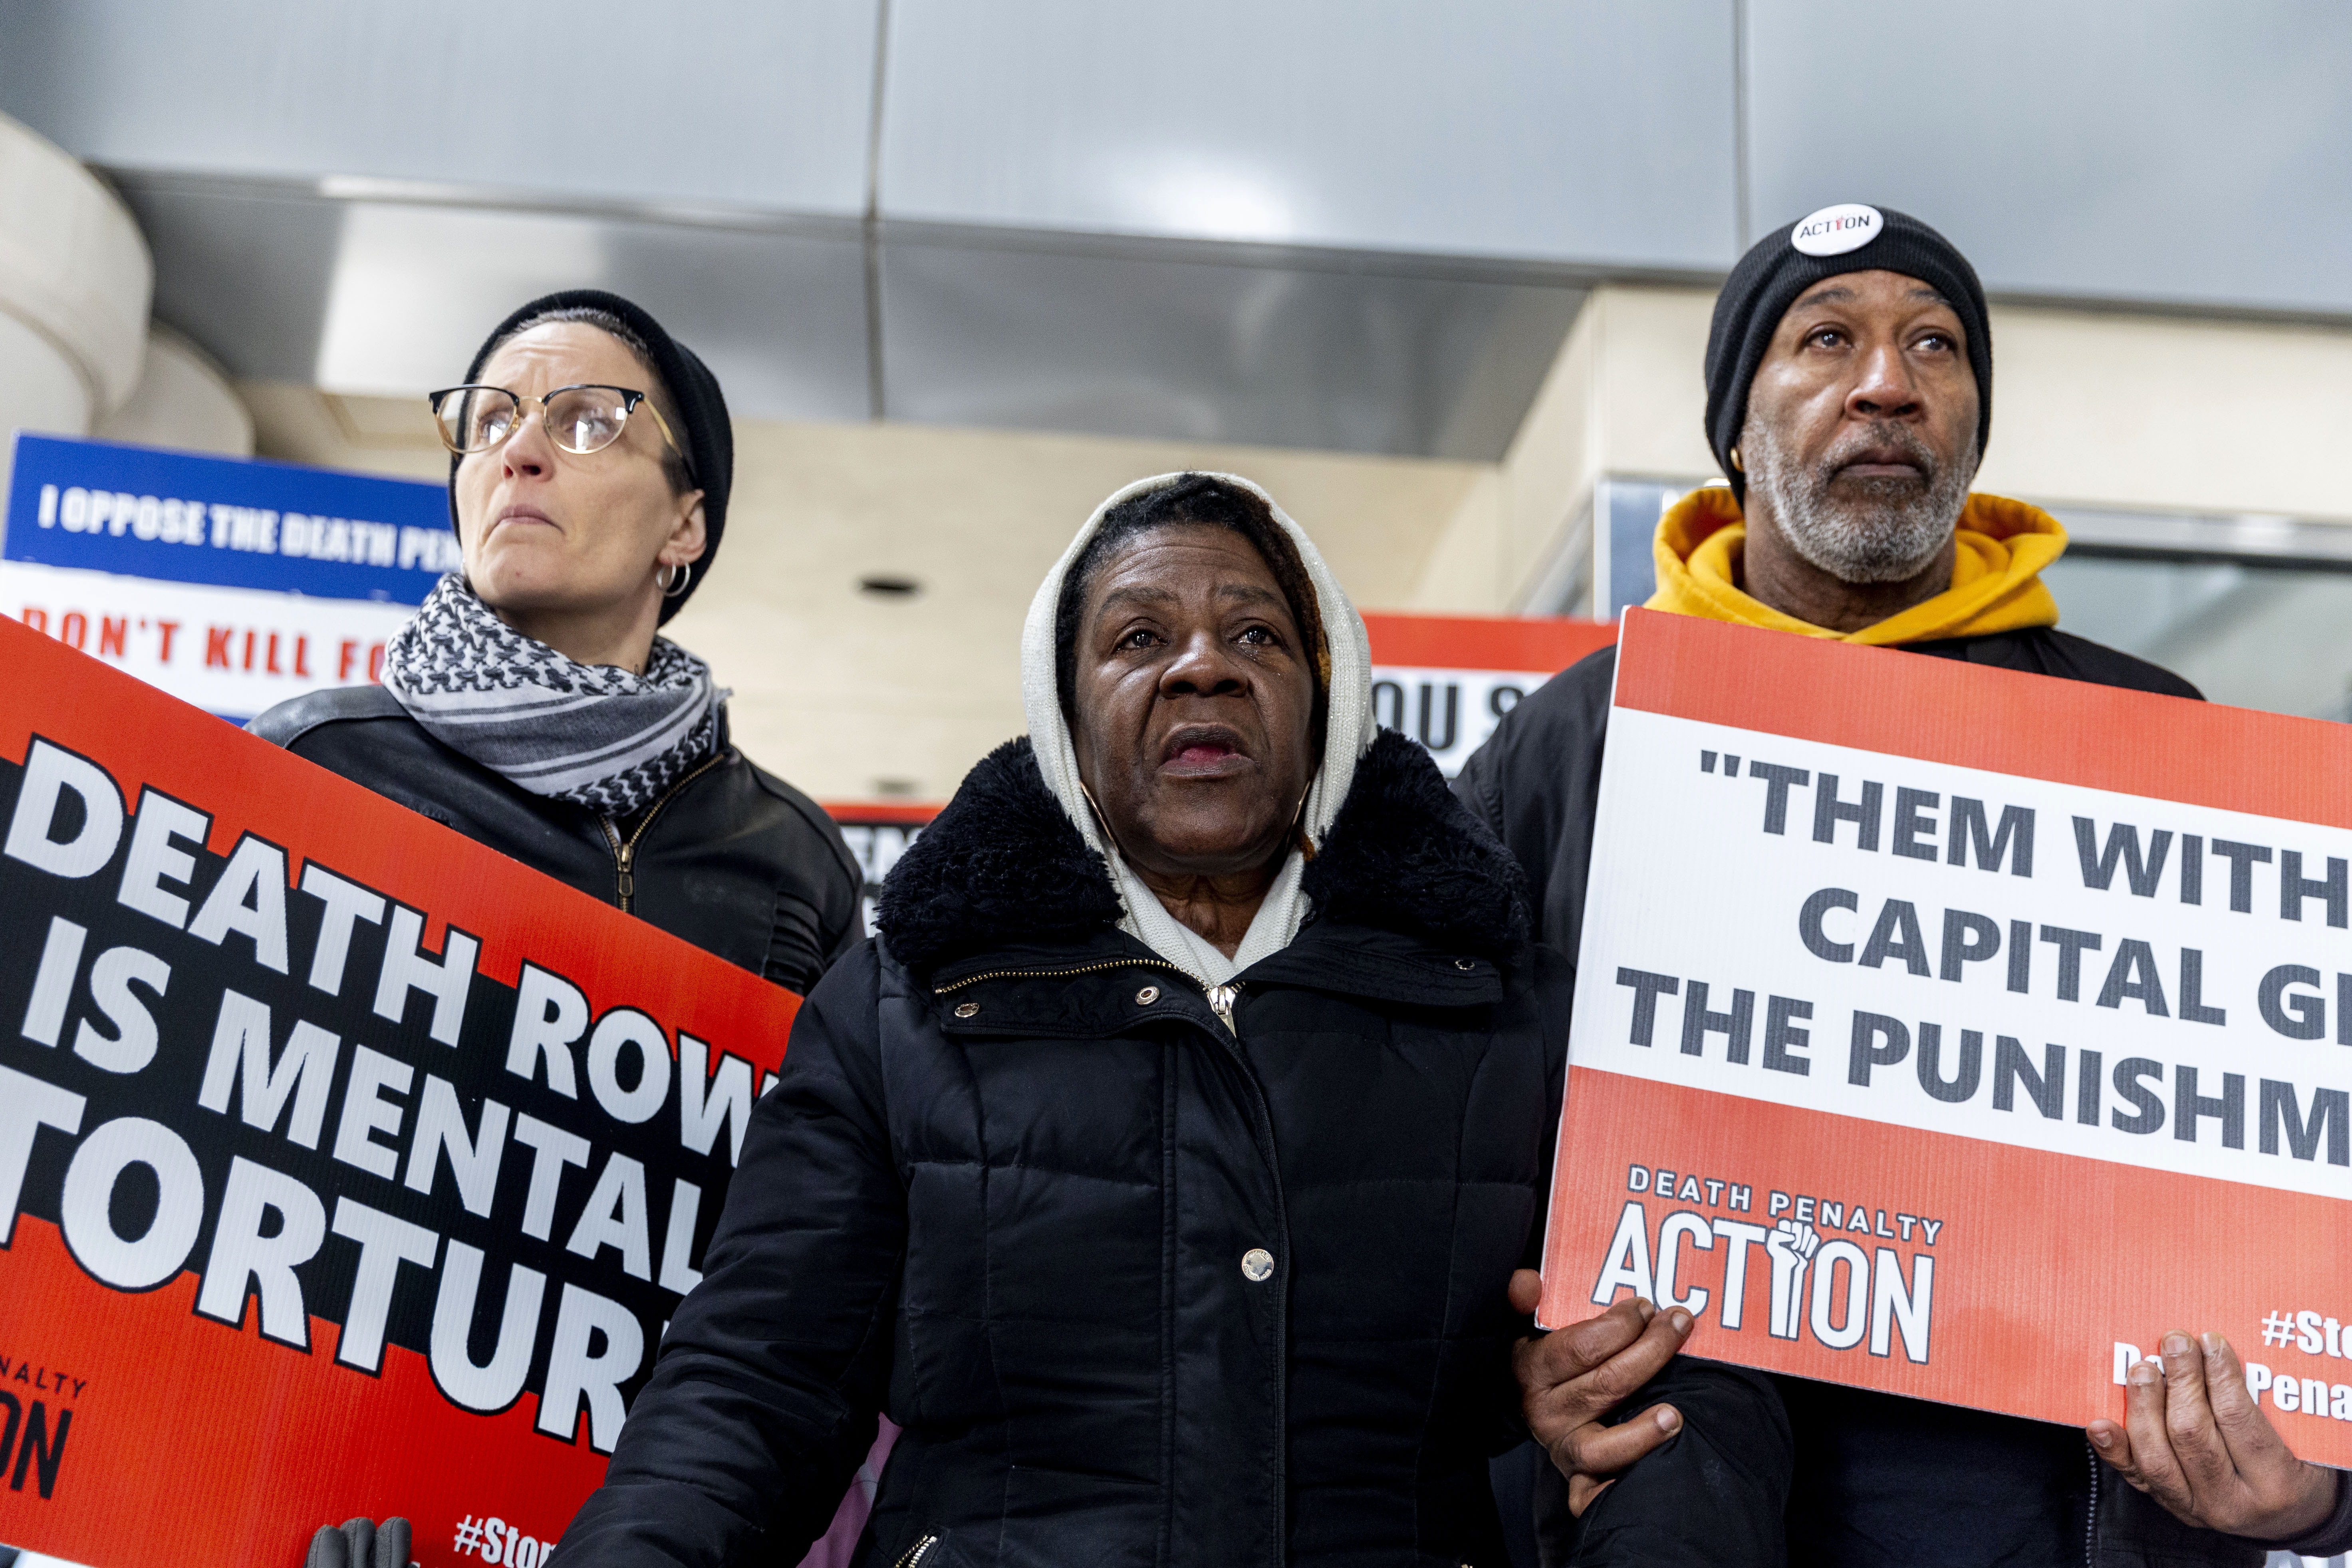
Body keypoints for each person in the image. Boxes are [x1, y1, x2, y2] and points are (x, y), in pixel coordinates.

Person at [552, 472, 1693, 1568]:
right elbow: (755, 1381)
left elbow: (1620, 1361)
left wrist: (1553, 1383)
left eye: (1256, 635)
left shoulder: (1510, 1010)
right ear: (1065, 717)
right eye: (1139, 638)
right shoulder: (899, 1011)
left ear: (1327, 697)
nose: (1204, 667)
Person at [1456, 206, 2352, 1565]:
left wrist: (2320, 1477)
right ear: (1736, 428)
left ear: (1974, 424)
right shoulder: (1571, 744)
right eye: (1829, 340)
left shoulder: (2153, 735)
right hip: (1694, 1507)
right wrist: (1504, 1380)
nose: (1890, 382)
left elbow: (2289, 1153)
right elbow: (1438, 1146)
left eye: (1935, 344)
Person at [248, 289, 859, 994]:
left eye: (588, 421)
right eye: (491, 420)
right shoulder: (317, 759)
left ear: (683, 526)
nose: (520, 450)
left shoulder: (799, 859)